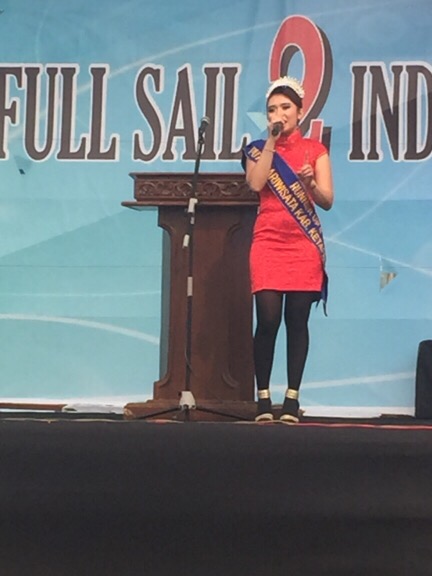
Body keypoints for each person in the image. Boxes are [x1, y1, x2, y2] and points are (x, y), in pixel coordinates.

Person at [242, 76, 334, 423]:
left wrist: (310, 183)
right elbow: (256, 183)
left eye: (285, 108)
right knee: (267, 320)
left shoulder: (315, 150)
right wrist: (271, 141)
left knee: (297, 320)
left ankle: (292, 399)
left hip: (302, 245)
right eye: (271, 110)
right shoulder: (256, 148)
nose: (277, 114)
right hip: (267, 242)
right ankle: (263, 398)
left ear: (299, 111)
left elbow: (326, 200)